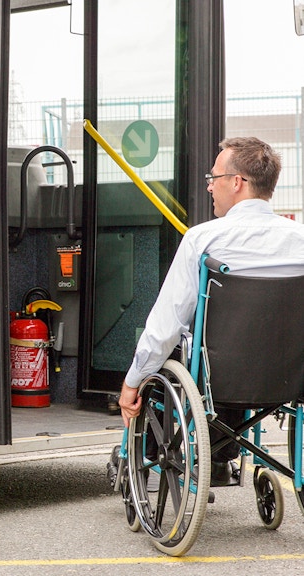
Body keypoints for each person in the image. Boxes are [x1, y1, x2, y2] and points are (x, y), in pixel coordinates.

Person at [118, 136, 304, 485]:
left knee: (179, 351)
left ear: (237, 182)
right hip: (288, 376)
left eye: (214, 178)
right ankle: (222, 455)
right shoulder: (300, 240)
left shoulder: (203, 240)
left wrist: (133, 380)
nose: (209, 186)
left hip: (218, 375)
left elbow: (165, 325)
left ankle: (162, 454)